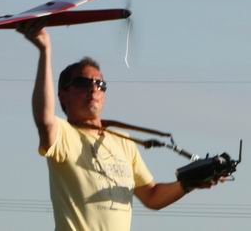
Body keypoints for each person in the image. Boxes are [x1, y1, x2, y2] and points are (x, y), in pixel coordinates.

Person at [18, 19, 216, 231]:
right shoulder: (64, 134)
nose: (93, 89)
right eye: (83, 83)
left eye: (100, 84)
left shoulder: (123, 140)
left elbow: (151, 196)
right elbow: (44, 119)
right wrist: (45, 50)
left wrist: (188, 184)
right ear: (63, 96)